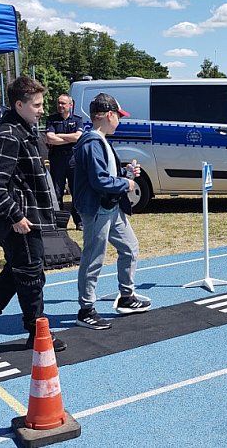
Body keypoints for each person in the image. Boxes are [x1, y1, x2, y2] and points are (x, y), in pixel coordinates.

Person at [0, 76, 65, 352]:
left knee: (17, 270)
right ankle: (37, 332)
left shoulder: (24, 130)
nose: (42, 110)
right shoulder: (9, 135)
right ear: (19, 104)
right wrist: (15, 216)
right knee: (32, 274)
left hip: (29, 216)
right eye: (37, 105)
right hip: (22, 220)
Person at [73, 93, 150, 329]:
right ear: (109, 115)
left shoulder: (98, 140)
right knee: (93, 258)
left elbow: (104, 175)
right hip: (98, 209)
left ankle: (127, 296)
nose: (120, 121)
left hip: (110, 207)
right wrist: (126, 183)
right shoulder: (92, 142)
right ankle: (86, 309)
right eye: (118, 116)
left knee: (130, 247)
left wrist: (125, 173)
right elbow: (99, 181)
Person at [45, 94, 84, 231]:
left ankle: (79, 221)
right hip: (57, 161)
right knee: (57, 192)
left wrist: (59, 137)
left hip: (73, 160)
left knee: (76, 191)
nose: (60, 106)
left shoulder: (77, 120)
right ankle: (60, 223)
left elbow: (78, 137)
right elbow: (50, 139)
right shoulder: (51, 120)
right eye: (59, 103)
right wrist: (69, 138)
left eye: (63, 103)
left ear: (70, 105)